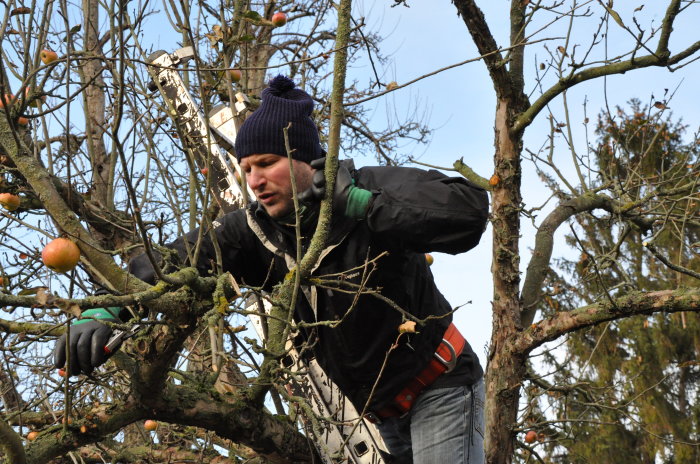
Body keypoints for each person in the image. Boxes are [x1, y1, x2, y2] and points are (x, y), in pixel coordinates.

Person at [54, 75, 490, 463]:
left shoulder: (364, 187)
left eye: (266, 163)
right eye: (246, 169)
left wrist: (364, 204)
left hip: (441, 385)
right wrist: (111, 306)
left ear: (305, 160)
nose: (255, 180)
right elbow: (177, 258)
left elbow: (468, 211)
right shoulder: (252, 233)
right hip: (386, 412)